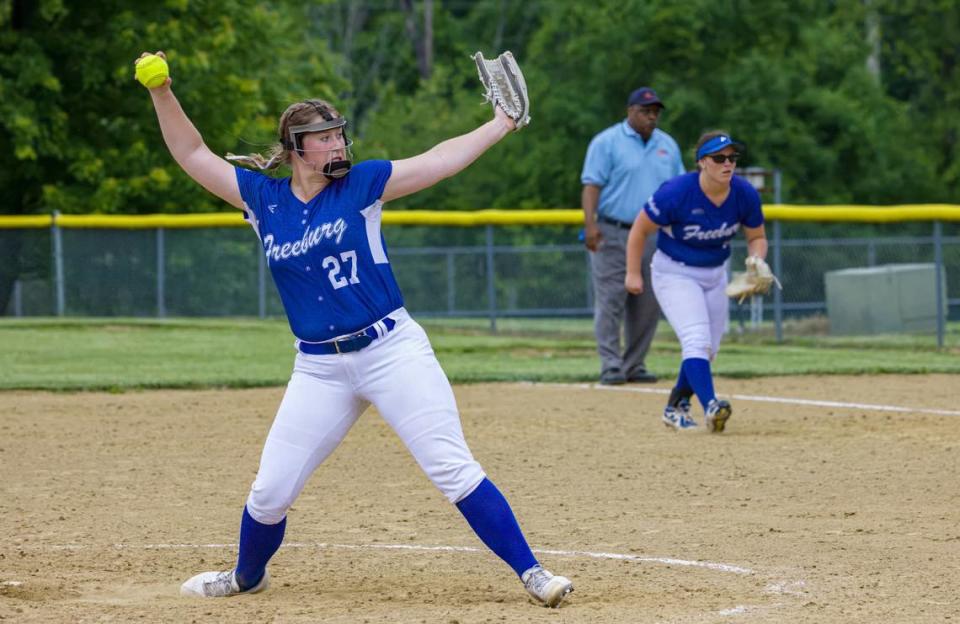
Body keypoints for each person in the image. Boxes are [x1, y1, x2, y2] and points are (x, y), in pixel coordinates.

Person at [135, 51, 573, 608]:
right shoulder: (264, 201)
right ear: (296, 148)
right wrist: (162, 91)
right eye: (324, 137)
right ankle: (247, 576)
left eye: (339, 134)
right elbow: (192, 152)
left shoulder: (362, 185)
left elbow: (438, 160)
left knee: (451, 467)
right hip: (319, 366)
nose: (338, 144)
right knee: (270, 492)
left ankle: (533, 572)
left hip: (392, 350)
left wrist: (499, 124)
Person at [625, 131, 769, 432]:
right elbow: (639, 231)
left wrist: (757, 261)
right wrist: (633, 273)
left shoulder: (744, 193)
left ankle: (675, 407)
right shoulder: (676, 192)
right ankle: (712, 406)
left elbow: (756, 237)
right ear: (702, 162)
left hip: (715, 274)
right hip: (674, 272)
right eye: (719, 158)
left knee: (708, 349)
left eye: (732, 157)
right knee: (696, 339)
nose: (727, 163)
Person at [580, 87, 685, 385]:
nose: (651, 117)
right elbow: (591, 186)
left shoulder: (667, 145)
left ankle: (634, 364)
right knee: (611, 299)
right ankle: (611, 364)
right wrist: (590, 225)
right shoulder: (607, 142)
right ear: (630, 111)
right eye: (645, 111)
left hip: (654, 235)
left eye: (655, 112)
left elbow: (677, 190)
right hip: (614, 231)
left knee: (648, 303)